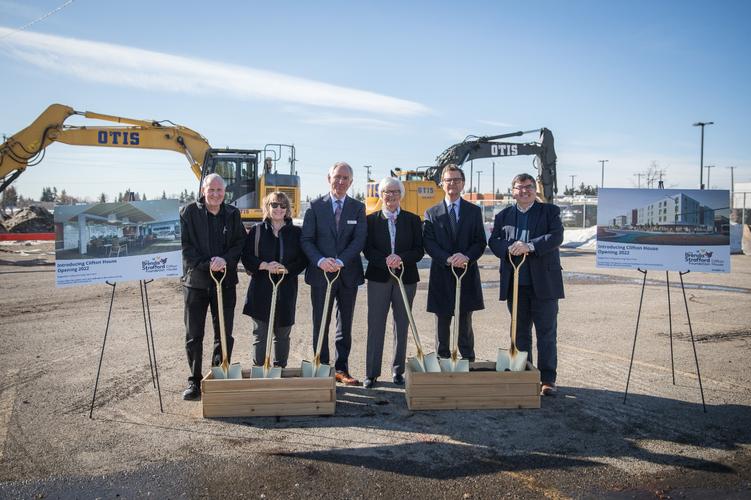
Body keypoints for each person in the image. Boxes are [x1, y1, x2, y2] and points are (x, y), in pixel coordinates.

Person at [488, 173, 564, 396]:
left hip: (544, 285)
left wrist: (529, 246)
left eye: (529, 187)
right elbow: (494, 242)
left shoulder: (550, 211)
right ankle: (525, 374)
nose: (524, 191)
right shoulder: (504, 215)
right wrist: (509, 249)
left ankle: (548, 379)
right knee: (519, 333)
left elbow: (556, 236)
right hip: (516, 284)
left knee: (546, 334)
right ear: (512, 191)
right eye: (519, 188)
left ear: (535, 190)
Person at [179, 173, 246, 400]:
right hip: (196, 283)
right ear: (203, 191)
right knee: (194, 334)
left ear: (224, 192)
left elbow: (240, 243)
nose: (216, 194)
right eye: (211, 190)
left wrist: (225, 260)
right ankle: (195, 381)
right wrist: (208, 264)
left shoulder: (232, 214)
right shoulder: (188, 213)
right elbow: (185, 247)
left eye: (219, 190)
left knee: (224, 333)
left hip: (225, 283)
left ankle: (218, 375)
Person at [301, 161, 367, 385]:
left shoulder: (357, 208)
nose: (340, 181)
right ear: (328, 179)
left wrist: (340, 260)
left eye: (345, 178)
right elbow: (307, 239)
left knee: (344, 323)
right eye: (337, 177)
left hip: (347, 274)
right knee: (321, 321)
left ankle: (342, 369)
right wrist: (321, 261)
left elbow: (359, 240)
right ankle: (322, 366)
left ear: (351, 182)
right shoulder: (314, 206)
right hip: (321, 274)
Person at [363, 177, 424, 388]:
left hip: (405, 279)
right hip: (379, 278)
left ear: (401, 195)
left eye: (395, 192)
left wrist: (401, 258)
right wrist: (385, 260)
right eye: (386, 192)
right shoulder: (370, 220)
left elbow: (419, 250)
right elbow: (368, 249)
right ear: (381, 195)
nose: (391, 196)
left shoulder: (413, 220)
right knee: (375, 325)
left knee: (402, 325)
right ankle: (371, 373)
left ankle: (398, 371)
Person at [423, 164, 487, 362]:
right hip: (442, 275)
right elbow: (429, 242)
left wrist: (466, 257)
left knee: (464, 323)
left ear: (463, 184)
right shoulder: (432, 212)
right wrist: (448, 258)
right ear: (442, 183)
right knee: (442, 323)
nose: (452, 184)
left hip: (466, 273)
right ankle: (442, 362)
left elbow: (480, 241)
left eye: (456, 180)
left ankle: (467, 361)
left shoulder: (474, 212)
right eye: (448, 180)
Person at [241, 192, 307, 369]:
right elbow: (246, 257)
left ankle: (279, 371)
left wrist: (287, 269)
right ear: (267, 207)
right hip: (261, 288)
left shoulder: (296, 233)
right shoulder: (257, 231)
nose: (278, 209)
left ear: (287, 209)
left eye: (282, 205)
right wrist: (263, 265)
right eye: (274, 205)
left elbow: (303, 259)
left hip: (286, 289)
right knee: (260, 334)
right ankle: (260, 372)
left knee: (282, 333)